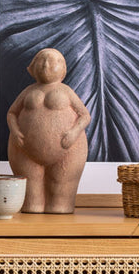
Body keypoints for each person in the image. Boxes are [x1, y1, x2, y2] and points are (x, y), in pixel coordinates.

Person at [6, 47, 90, 213]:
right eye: (41, 61)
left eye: (54, 61)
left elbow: (84, 115)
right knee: (31, 202)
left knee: (61, 199)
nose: (46, 65)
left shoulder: (66, 91)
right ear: (33, 67)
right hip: (24, 150)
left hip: (68, 150)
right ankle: (32, 206)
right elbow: (11, 113)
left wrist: (73, 133)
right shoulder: (28, 91)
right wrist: (15, 131)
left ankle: (61, 206)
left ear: (63, 69)